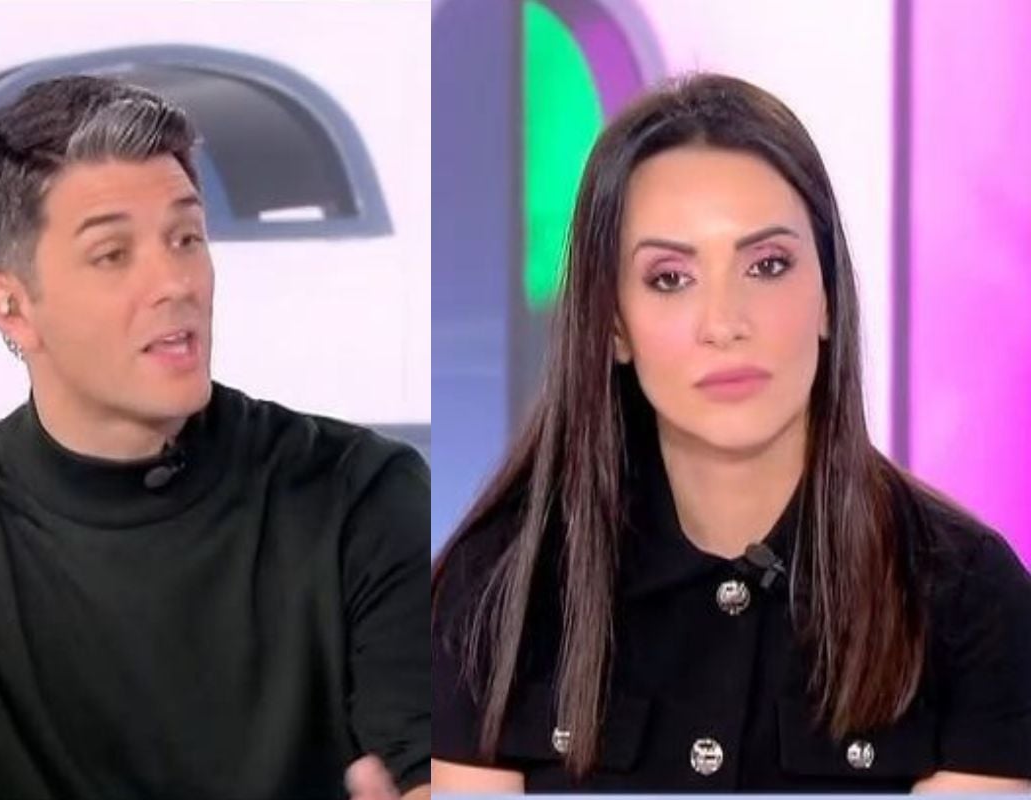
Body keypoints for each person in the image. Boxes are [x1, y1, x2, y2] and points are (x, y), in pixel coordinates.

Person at [0, 75, 429, 800]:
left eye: (186, 238)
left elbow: (426, 772)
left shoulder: (363, 496)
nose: (175, 282)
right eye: (113, 254)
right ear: (10, 307)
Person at [431, 73, 1031, 793]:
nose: (724, 323)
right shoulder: (499, 587)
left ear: (828, 296)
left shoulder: (967, 594)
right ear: (613, 324)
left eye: (767, 266)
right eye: (670, 278)